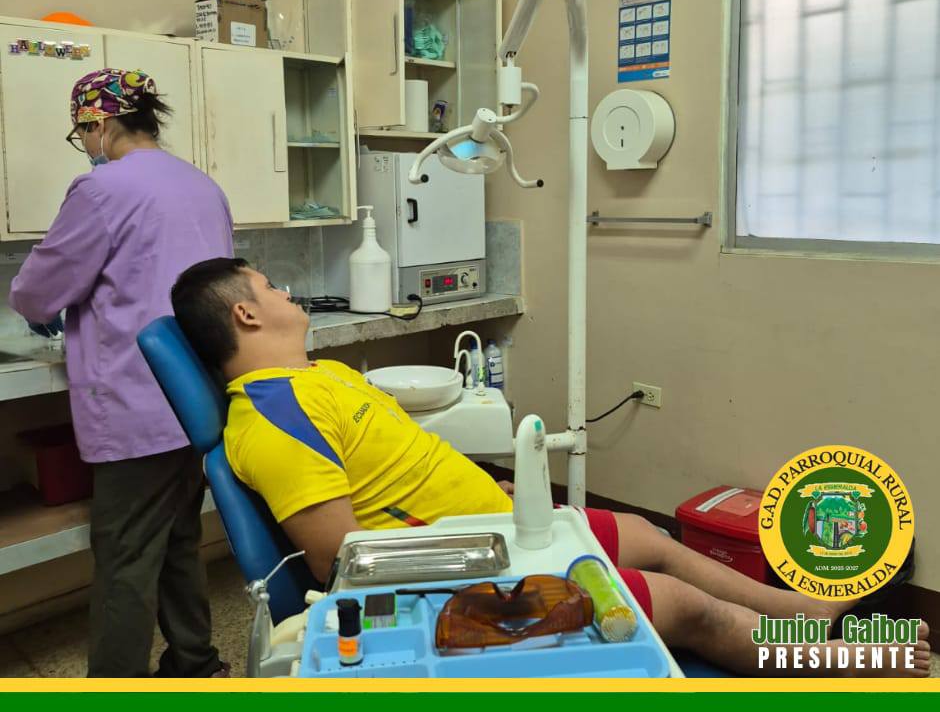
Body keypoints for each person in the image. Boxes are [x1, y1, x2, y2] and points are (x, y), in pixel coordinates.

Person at [170, 258, 932, 678]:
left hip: (500, 522)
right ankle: (847, 660)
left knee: (649, 535)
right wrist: (492, 540)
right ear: (245, 314)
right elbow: (344, 559)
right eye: (269, 286)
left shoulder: (323, 376)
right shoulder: (271, 424)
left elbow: (398, 469)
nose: (286, 290)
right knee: (683, 606)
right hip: (474, 570)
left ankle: (802, 612)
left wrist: (497, 490)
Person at [9, 69, 233, 678]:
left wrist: (40, 307)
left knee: (125, 556)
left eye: (82, 132)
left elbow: (38, 290)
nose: (85, 144)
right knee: (179, 537)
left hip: (137, 403)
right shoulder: (202, 185)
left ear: (101, 123)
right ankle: (196, 663)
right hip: (196, 398)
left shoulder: (101, 188)